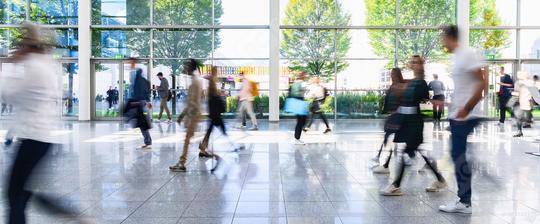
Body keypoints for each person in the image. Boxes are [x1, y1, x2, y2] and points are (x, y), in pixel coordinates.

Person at [1, 22, 82, 224]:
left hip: (33, 137)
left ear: (27, 45)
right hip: (40, 136)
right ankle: (66, 210)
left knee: (15, 192)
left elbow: (8, 94)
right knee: (21, 190)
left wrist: (9, 66)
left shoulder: (33, 66)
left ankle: (67, 210)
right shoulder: (47, 64)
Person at [380, 55, 447, 196]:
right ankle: (440, 179)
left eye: (416, 62)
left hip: (414, 122)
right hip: (406, 121)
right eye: (412, 62)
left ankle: (396, 185)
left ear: (421, 65)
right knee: (417, 152)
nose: (413, 64)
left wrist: (439, 104)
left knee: (406, 152)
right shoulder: (411, 82)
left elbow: (425, 103)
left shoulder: (421, 83)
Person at [439, 25, 486, 214]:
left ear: (450, 37)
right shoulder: (458, 57)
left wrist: (466, 109)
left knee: (458, 157)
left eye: (443, 38)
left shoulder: (466, 54)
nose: (442, 42)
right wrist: (451, 105)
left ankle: (465, 201)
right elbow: (468, 86)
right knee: (458, 156)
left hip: (465, 116)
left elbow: (482, 82)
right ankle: (464, 199)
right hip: (459, 114)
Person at [198, 67, 240, 158]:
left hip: (213, 113)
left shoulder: (211, 82)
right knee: (223, 131)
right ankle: (233, 146)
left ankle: (202, 148)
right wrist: (220, 94)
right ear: (215, 72)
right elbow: (213, 96)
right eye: (217, 72)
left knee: (210, 131)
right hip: (215, 113)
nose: (218, 73)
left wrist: (220, 93)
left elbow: (212, 95)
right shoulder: (212, 81)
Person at [170, 59, 203, 172]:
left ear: (190, 67)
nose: (184, 68)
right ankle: (205, 150)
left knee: (187, 139)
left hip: (193, 115)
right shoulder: (195, 80)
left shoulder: (194, 82)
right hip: (194, 114)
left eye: (186, 66)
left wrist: (182, 115)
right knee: (189, 139)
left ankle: (182, 162)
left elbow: (192, 102)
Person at [372, 68, 406, 173]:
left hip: (397, 116)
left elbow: (402, 101)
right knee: (388, 138)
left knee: (389, 138)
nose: (391, 76)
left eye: (393, 74)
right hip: (393, 115)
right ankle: (381, 159)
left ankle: (384, 164)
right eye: (391, 74)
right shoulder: (393, 86)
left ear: (397, 75)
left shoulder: (400, 87)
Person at [125, 58, 152, 149]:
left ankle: (148, 142)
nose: (129, 64)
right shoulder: (140, 76)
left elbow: (139, 89)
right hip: (140, 101)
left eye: (130, 62)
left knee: (142, 122)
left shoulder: (137, 76)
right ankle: (147, 141)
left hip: (139, 101)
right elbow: (145, 89)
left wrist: (137, 100)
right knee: (141, 121)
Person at [288, 72, 309, 144]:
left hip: (295, 102)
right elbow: (304, 91)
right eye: (305, 75)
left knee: (300, 120)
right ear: (302, 76)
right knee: (302, 120)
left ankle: (297, 137)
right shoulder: (302, 82)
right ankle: (297, 138)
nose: (306, 76)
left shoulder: (294, 83)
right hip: (300, 101)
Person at [513, 71, 533, 137]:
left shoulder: (525, 83)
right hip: (523, 102)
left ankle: (521, 129)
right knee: (519, 117)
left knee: (520, 117)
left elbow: (517, 93)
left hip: (524, 102)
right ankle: (520, 130)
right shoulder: (521, 82)